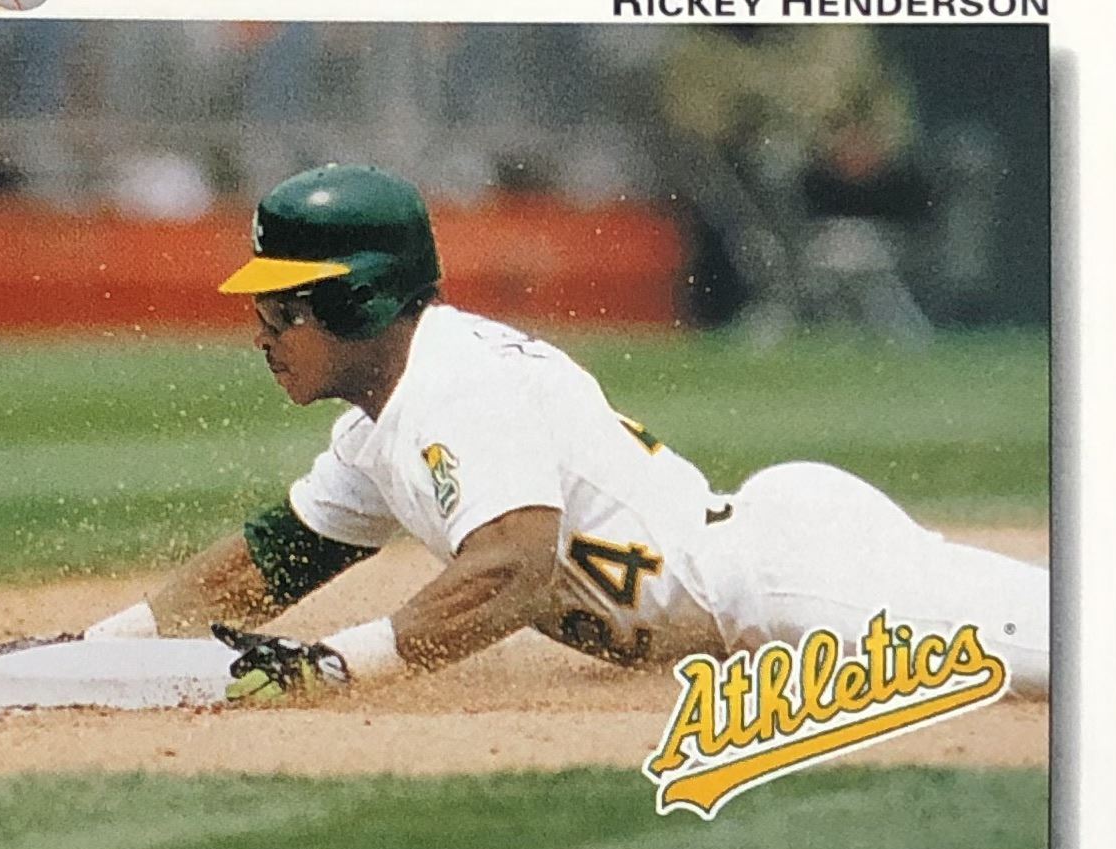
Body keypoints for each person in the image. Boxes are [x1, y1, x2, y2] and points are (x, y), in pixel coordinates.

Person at [86, 163, 1049, 701]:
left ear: (362, 300)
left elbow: (515, 567)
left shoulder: (454, 384)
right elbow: (275, 560)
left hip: (789, 585)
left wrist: (336, 667)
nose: (261, 333)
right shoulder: (384, 415)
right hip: (752, 583)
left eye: (285, 309)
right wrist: (98, 647)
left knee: (1081, 661)